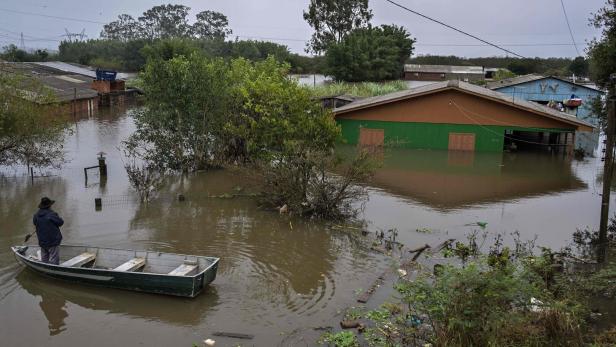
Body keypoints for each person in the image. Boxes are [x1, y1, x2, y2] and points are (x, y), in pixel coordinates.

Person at [33, 197, 64, 265]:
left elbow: (35, 223)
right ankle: (55, 271)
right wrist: (57, 216)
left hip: (42, 241)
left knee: (44, 259)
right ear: (49, 206)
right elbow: (61, 222)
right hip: (52, 241)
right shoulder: (51, 214)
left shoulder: (36, 215)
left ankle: (45, 269)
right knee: (54, 260)